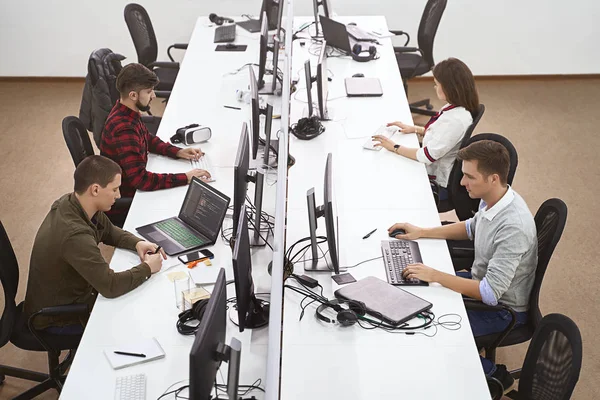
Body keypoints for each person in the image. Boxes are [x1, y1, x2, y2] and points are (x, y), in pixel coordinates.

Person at [388, 140, 537, 394]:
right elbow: (471, 227)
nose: (461, 183)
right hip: (480, 283)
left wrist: (436, 275)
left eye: (469, 176)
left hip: (502, 309)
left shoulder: (513, 227)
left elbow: (490, 294)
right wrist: (422, 232)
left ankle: (493, 375)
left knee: (427, 326)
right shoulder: (494, 198)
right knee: (416, 293)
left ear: (493, 178)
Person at [23, 155, 166, 335]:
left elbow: (110, 231)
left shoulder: (74, 202)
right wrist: (147, 268)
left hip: (71, 295)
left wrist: (138, 243)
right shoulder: (74, 235)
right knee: (134, 325)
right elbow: (110, 286)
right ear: (96, 190)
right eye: (114, 189)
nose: (119, 195)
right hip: (55, 318)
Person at [100, 63, 210, 206]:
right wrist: (186, 177)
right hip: (129, 201)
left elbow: (147, 138)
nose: (154, 95)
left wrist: (178, 152)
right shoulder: (124, 128)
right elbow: (141, 180)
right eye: (149, 91)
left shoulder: (126, 112)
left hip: (136, 186)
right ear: (133, 95)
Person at [372, 57, 479, 201]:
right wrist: (415, 129)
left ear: (449, 88)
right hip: (432, 161)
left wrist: (394, 147)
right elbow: (442, 134)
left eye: (437, 84)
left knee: (384, 166)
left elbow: (427, 156)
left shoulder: (455, 120)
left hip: (436, 182)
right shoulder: (455, 107)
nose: (435, 87)